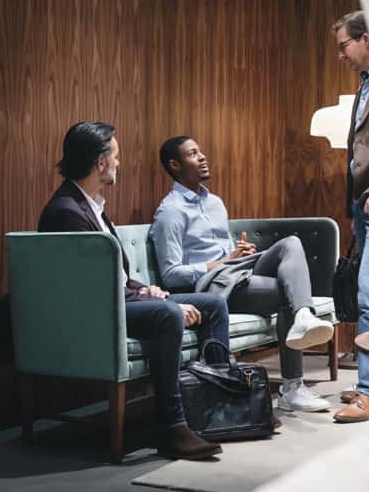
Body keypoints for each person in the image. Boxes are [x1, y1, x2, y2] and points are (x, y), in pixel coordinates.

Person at [38, 121, 230, 461]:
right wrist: (152, 299)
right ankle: (172, 426)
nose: (118, 164)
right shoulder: (66, 212)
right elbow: (90, 290)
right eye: (115, 157)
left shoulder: (91, 206)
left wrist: (148, 289)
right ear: (100, 163)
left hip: (116, 300)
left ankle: (217, 406)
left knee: (212, 304)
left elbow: (118, 276)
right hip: (92, 311)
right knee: (167, 313)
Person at [149, 136, 335, 413]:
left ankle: (303, 315)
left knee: (291, 244)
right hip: (213, 288)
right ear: (174, 165)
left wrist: (240, 252)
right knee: (287, 293)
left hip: (238, 272)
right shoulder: (170, 213)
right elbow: (171, 275)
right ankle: (292, 389)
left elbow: (226, 253)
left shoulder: (214, 202)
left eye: (201, 151)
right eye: (192, 154)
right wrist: (222, 261)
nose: (202, 157)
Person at [332, 10, 369, 423]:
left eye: (344, 46)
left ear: (366, 39)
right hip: (364, 205)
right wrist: (355, 205)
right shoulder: (365, 84)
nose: (341, 55)